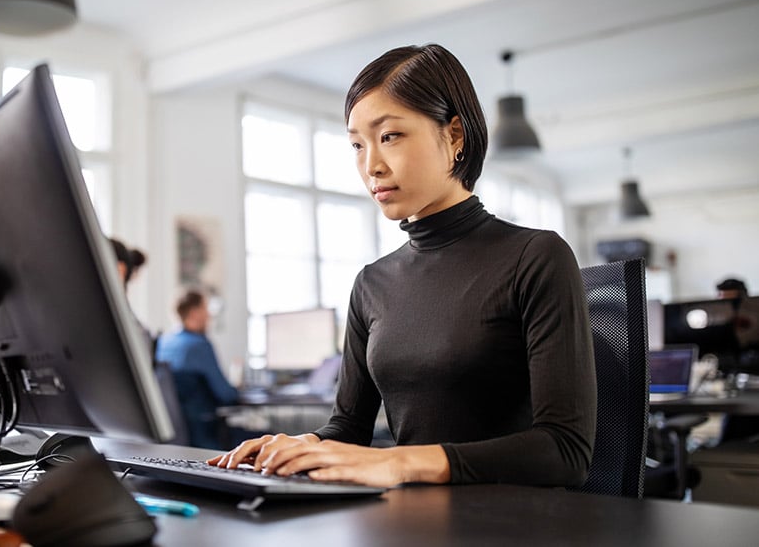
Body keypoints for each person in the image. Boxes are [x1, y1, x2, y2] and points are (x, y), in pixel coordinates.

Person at [210, 44, 597, 488]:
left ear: (454, 136)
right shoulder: (371, 283)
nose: (371, 165)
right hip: (410, 520)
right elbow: (348, 430)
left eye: (389, 136)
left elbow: (564, 451)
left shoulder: (535, 257)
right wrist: (302, 446)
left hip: (510, 524)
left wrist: (400, 462)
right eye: (357, 144)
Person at [156, 289, 239, 448]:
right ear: (195, 313)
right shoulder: (199, 345)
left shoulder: (163, 342)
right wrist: (237, 389)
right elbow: (226, 395)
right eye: (206, 309)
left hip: (174, 435)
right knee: (268, 436)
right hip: (204, 435)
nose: (209, 316)